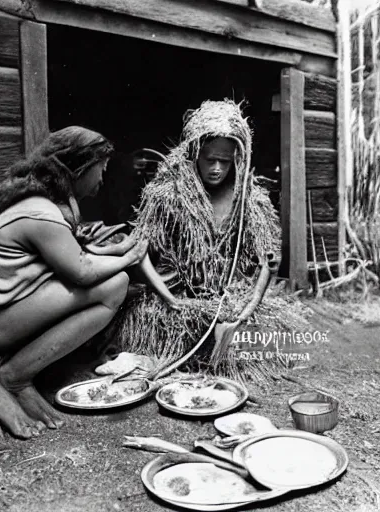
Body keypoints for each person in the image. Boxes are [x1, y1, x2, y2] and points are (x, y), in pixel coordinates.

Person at [0, 126, 176, 440]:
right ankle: (8, 380)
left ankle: (17, 378)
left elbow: (71, 252)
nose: (102, 178)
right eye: (101, 169)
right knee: (113, 286)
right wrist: (130, 256)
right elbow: (81, 271)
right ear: (80, 169)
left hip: (0, 315)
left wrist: (115, 250)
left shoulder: (43, 203)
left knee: (113, 282)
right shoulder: (42, 213)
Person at [106, 100, 307, 381]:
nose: (216, 168)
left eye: (224, 161)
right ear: (193, 153)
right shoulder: (166, 194)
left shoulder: (251, 200)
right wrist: (169, 299)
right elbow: (139, 252)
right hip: (176, 295)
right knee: (164, 330)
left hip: (229, 296)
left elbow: (268, 260)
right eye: (209, 159)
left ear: (238, 158)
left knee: (244, 337)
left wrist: (246, 309)